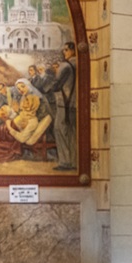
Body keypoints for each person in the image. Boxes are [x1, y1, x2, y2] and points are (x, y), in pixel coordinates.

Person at [50, 42, 77, 170]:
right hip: (76, 104)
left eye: (66, 50)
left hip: (64, 105)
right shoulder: (80, 64)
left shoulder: (65, 66)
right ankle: (74, 162)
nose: (64, 52)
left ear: (73, 50)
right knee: (72, 133)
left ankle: (65, 162)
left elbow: (55, 85)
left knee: (59, 130)